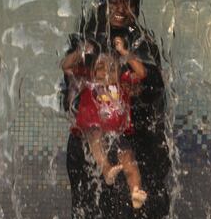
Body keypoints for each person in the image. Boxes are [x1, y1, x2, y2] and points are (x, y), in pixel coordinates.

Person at [63, 0, 171, 219]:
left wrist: (139, 93)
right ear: (103, 5)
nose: (121, 9)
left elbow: (157, 92)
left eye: (129, 3)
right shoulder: (87, 44)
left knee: (136, 213)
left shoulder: (143, 45)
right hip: (93, 144)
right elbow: (68, 93)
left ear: (137, 8)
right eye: (115, 2)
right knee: (91, 214)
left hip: (135, 141)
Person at [62, 49, 148, 209]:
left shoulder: (123, 83)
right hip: (93, 131)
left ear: (119, 71)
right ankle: (107, 169)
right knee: (95, 135)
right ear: (92, 71)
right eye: (101, 67)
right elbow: (66, 66)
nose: (106, 72)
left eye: (112, 68)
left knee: (129, 159)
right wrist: (82, 50)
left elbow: (141, 72)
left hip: (117, 135)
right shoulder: (88, 82)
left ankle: (136, 192)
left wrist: (124, 52)